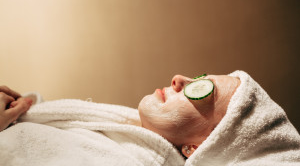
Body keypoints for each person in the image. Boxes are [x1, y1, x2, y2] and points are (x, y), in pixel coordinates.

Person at [0, 70, 300, 166]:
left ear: (199, 148)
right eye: (197, 76)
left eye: (201, 90)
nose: (179, 78)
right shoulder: (121, 138)